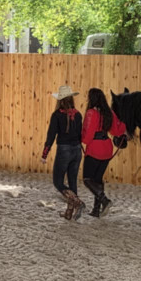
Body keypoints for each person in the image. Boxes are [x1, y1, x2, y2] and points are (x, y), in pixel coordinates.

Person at [81, 88, 127, 218]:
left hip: (95, 148)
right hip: (107, 148)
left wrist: (81, 138)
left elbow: (87, 136)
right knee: (97, 179)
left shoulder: (91, 113)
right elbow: (117, 131)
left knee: (87, 179)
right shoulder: (109, 112)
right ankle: (96, 210)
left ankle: (104, 200)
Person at [41, 84, 84, 220]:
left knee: (58, 182)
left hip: (64, 150)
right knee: (72, 182)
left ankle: (78, 203)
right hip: (77, 150)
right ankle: (69, 213)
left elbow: (51, 136)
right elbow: (80, 135)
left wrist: (44, 154)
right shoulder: (78, 115)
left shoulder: (56, 115)